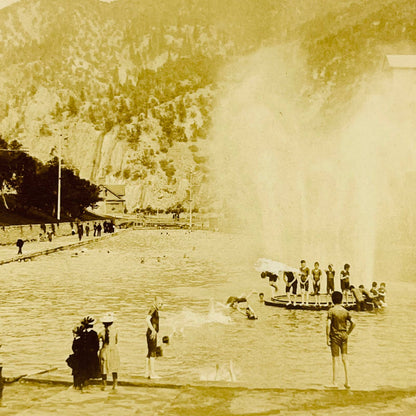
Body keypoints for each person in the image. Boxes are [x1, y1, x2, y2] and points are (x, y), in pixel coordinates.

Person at [326, 291, 355, 389]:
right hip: (344, 336)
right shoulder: (345, 311)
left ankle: (334, 382)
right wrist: (348, 333)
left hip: (335, 336)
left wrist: (327, 337)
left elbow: (328, 324)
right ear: (342, 299)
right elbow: (354, 323)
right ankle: (348, 382)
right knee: (345, 359)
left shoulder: (331, 311)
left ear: (332, 300)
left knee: (335, 359)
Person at [99, 312, 120, 390]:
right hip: (113, 350)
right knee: (114, 368)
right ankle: (115, 384)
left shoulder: (101, 332)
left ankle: (104, 384)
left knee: (104, 369)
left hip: (105, 351)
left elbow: (97, 341)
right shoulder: (116, 331)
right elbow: (116, 341)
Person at [79, 316, 100, 388]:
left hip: (83, 354)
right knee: (90, 369)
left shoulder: (82, 333)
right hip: (91, 354)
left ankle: (84, 382)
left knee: (84, 368)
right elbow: (97, 346)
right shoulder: (94, 333)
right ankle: (86, 382)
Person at [146, 296, 163, 379]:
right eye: (159, 303)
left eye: (161, 303)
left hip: (150, 333)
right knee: (153, 353)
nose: (160, 305)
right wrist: (153, 330)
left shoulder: (154, 309)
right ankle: (152, 374)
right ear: (155, 302)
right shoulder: (153, 309)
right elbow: (147, 319)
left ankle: (147, 372)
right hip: (152, 333)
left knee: (149, 352)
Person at [67, 325, 83, 389]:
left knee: (77, 372)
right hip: (78, 357)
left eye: (74, 333)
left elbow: (75, 349)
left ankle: (77, 385)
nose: (73, 334)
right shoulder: (78, 340)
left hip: (78, 357)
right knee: (76, 372)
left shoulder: (78, 340)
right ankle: (77, 384)